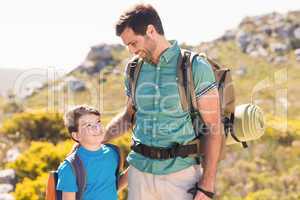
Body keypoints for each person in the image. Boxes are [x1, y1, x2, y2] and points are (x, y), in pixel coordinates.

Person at [105, 4, 222, 200]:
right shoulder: (134, 69)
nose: (131, 51)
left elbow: (213, 126)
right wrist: (98, 139)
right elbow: (128, 117)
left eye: (133, 43)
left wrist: (207, 184)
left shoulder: (195, 67)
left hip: (181, 178)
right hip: (139, 175)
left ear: (151, 31)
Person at [56, 105, 128, 200]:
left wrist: (138, 163)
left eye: (98, 122)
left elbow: (112, 186)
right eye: (88, 125)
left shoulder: (113, 153)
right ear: (76, 136)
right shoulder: (70, 167)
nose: (96, 128)